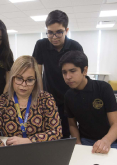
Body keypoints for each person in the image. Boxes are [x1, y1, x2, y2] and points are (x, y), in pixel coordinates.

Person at [60, 50, 117, 165]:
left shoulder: (103, 88)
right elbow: (72, 125)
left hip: (111, 141)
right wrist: (78, 143)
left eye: (72, 71)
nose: (67, 77)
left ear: (84, 70)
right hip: (86, 141)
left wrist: (106, 141)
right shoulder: (69, 96)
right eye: (64, 72)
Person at [0, 55, 62, 148]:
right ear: (12, 78)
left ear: (36, 81)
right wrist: (2, 150)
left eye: (30, 80)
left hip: (39, 151)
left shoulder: (46, 99)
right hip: (11, 152)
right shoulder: (1, 101)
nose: (23, 84)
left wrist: (29, 141)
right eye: (19, 78)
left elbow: (56, 132)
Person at [32, 10, 83, 139]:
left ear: (66, 30)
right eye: (50, 32)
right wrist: (40, 96)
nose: (54, 37)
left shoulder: (75, 46)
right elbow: (37, 72)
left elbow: (80, 75)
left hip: (69, 97)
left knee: (65, 133)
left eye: (59, 32)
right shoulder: (41, 45)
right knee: (46, 133)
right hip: (49, 97)